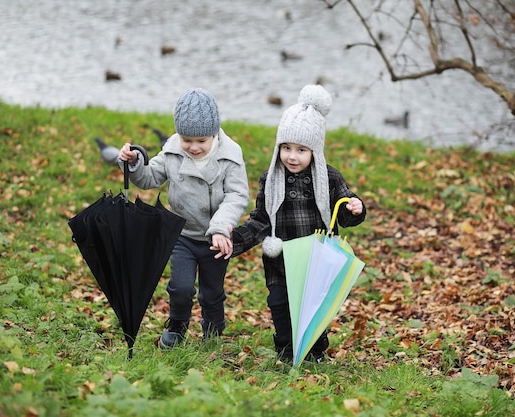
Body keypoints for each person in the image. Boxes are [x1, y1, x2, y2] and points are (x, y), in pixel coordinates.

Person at [227, 84, 366, 363]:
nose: (292, 156)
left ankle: (315, 347)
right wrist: (235, 240)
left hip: (316, 259)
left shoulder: (329, 179)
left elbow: (343, 209)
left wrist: (354, 207)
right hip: (281, 262)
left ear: (315, 150)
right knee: (280, 304)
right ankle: (286, 350)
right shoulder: (271, 179)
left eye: (301, 149)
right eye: (286, 148)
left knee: (313, 305)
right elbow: (261, 220)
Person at [118, 87, 249, 349]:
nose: (193, 147)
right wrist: (134, 163)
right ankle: (177, 325)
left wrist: (221, 228)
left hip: (216, 238)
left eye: (201, 140)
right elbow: (149, 178)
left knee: (212, 292)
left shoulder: (230, 157)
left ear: (214, 133)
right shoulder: (172, 151)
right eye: (187, 139)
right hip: (182, 235)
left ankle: (212, 331)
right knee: (180, 287)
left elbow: (237, 196)